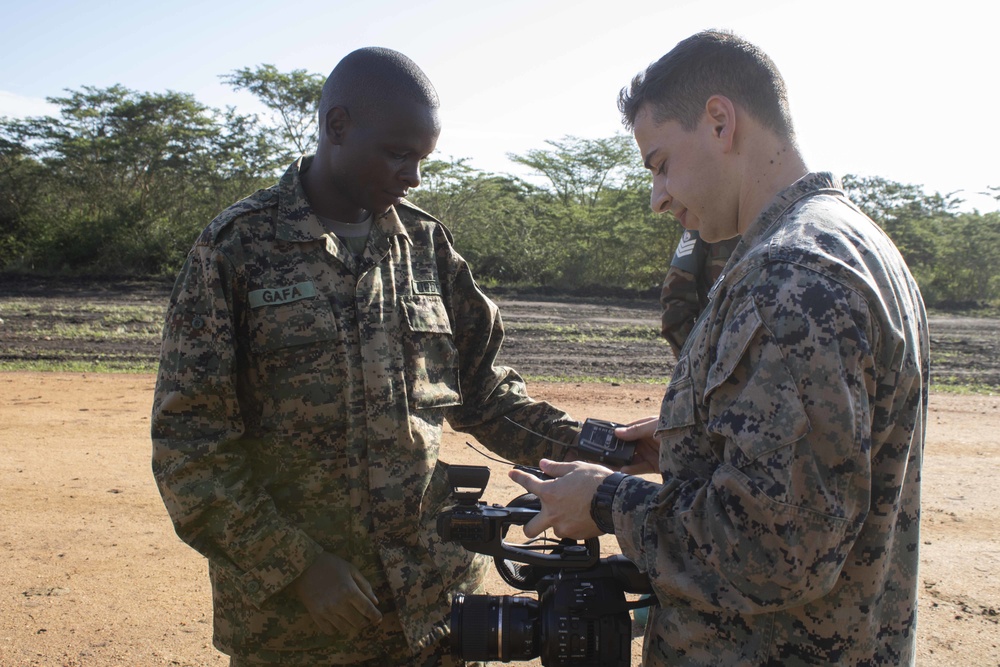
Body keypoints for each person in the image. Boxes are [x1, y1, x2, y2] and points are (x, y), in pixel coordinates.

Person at [150, 47, 580, 667]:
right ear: (339, 127)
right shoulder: (235, 249)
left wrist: (603, 447)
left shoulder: (425, 244)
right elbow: (190, 444)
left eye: (423, 159)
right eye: (398, 154)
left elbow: (485, 396)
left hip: (434, 611)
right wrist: (296, 565)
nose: (413, 176)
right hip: (299, 627)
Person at [511, 29, 929, 666]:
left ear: (718, 121)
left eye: (659, 164)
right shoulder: (853, 241)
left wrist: (605, 502)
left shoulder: (787, 274)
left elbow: (777, 551)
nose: (658, 197)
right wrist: (693, 442)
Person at [659, 228, 739, 357]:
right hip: (720, 359)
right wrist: (694, 362)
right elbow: (675, 298)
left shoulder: (780, 220)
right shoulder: (707, 224)